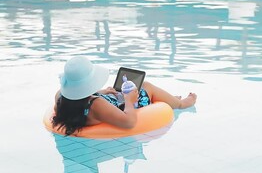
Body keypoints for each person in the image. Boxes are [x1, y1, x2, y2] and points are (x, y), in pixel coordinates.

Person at [53, 56, 197, 136]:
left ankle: (169, 98)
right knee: (146, 86)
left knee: (118, 90)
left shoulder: (60, 96)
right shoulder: (96, 105)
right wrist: (129, 100)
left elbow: (78, 99)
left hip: (106, 103)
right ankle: (181, 104)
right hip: (121, 107)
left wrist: (101, 92)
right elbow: (129, 123)